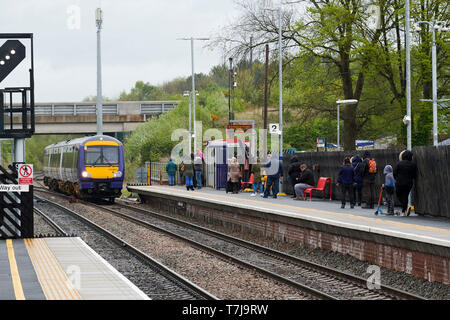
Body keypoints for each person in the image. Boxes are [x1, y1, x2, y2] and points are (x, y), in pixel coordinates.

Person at [393, 150, 417, 216]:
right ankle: (404, 211)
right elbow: (414, 175)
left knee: (398, 194)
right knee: (405, 196)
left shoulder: (399, 164)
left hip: (399, 182)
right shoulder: (413, 165)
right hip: (409, 183)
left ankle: (404, 208)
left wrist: (396, 179)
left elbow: (394, 173)